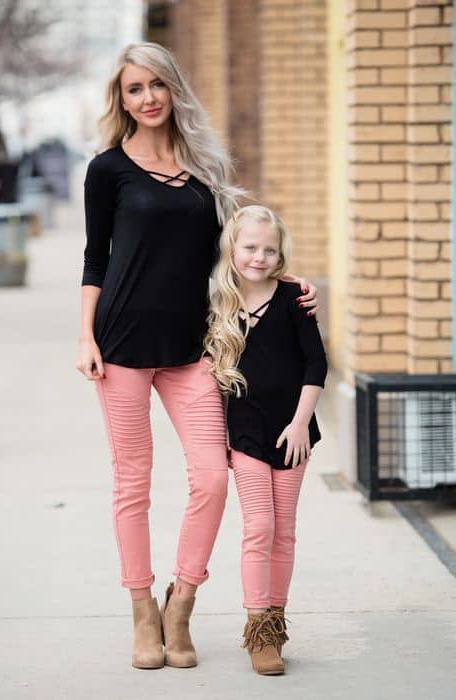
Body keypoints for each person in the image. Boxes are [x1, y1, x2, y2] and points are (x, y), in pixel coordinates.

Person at [77, 42, 319, 670]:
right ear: (121, 99)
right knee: (133, 484)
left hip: (194, 353)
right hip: (122, 347)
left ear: (173, 89)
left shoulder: (205, 169)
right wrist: (86, 337)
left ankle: (181, 601)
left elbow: (246, 251)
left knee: (212, 479)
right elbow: (95, 258)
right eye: (134, 89)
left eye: (157, 84)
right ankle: (142, 612)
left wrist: (295, 288)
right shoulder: (107, 170)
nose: (148, 97)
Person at [204, 205, 327, 675]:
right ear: (232, 249)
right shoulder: (217, 304)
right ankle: (258, 630)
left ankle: (275, 624)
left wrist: (300, 423)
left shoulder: (296, 298)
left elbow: (316, 364)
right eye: (250, 247)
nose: (259, 257)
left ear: (281, 253)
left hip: (292, 431)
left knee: (286, 530)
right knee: (260, 528)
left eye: (269, 249)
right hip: (247, 434)